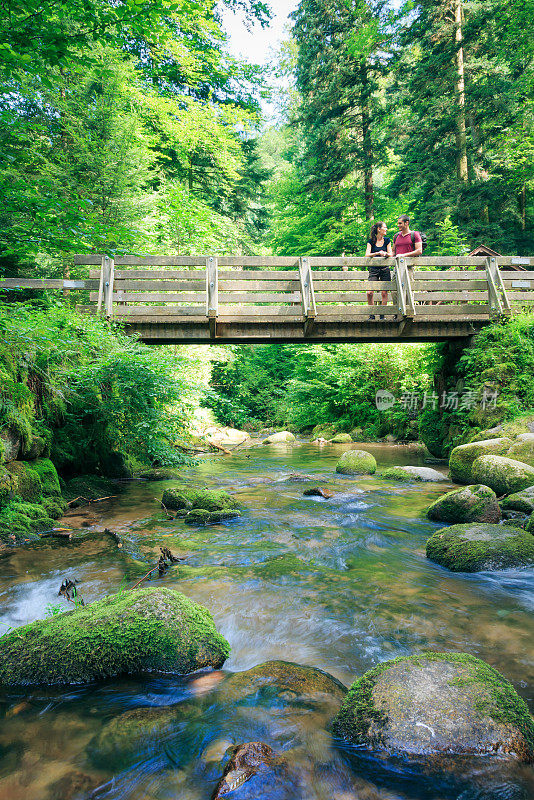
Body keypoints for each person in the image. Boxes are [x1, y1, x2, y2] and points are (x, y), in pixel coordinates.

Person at [365, 221, 393, 320]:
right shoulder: (371, 241)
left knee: (384, 293)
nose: (386, 229)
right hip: (373, 269)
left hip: (385, 269)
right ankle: (371, 315)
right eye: (385, 227)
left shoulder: (387, 240)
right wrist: (377, 253)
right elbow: (367, 254)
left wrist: (385, 254)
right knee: (369, 292)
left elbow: (391, 254)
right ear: (379, 229)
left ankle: (382, 315)